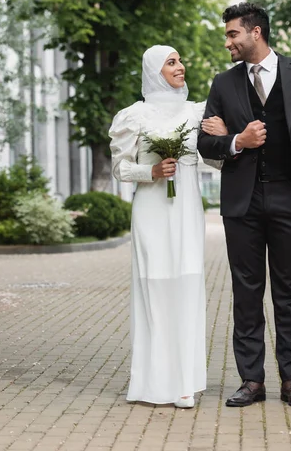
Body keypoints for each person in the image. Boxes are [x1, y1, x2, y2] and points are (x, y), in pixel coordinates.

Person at [198, 3, 291, 409]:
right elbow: (204, 141)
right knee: (246, 293)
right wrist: (236, 141)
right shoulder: (223, 84)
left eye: (232, 35)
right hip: (241, 202)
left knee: (290, 292)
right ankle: (251, 380)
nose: (227, 42)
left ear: (255, 32)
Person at [109, 44, 226, 408]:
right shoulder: (133, 116)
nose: (181, 66)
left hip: (186, 212)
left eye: (180, 60)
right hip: (151, 212)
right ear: (153, 70)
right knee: (154, 291)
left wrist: (222, 137)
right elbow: (120, 169)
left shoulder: (198, 113)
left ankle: (185, 384)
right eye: (171, 62)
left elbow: (218, 164)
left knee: (187, 289)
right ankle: (153, 383)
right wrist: (153, 171)